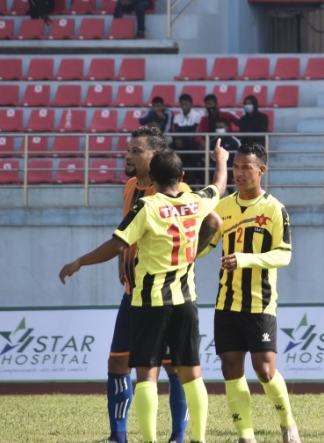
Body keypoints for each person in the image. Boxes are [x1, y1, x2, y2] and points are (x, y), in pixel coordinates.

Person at [59, 140, 230, 443]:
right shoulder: (195, 201)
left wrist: (80, 261)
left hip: (150, 302)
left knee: (147, 376)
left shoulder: (147, 207)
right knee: (192, 374)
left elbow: (118, 244)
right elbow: (218, 186)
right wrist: (221, 161)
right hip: (186, 301)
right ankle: (199, 439)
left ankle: (150, 439)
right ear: (181, 176)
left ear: (152, 175)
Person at [206, 143, 302, 443]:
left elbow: (284, 255)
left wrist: (244, 259)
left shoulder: (274, 209)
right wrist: (185, 250)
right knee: (231, 367)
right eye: (235, 167)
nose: (238, 173)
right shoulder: (223, 207)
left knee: (265, 370)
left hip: (260, 303)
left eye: (245, 167)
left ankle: (288, 425)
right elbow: (206, 246)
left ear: (261, 170)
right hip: (226, 303)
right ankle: (245, 436)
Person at [102, 127, 193, 443]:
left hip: (163, 297)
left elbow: (201, 226)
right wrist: (122, 261)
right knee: (118, 361)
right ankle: (118, 436)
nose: (128, 156)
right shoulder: (130, 187)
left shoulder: (176, 190)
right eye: (129, 150)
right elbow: (127, 231)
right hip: (132, 294)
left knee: (172, 367)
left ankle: (178, 436)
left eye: (136, 151)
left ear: (156, 157)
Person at [171, 94, 203, 185]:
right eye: (182, 104)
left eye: (186, 104)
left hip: (191, 144)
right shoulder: (177, 117)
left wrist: (184, 135)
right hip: (180, 144)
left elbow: (194, 132)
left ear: (191, 104)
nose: (184, 107)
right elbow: (176, 132)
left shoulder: (197, 116)